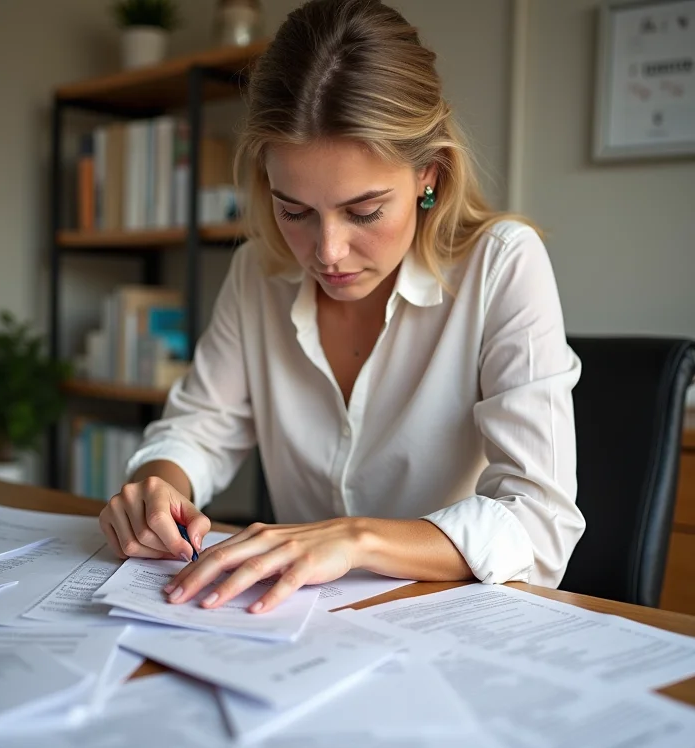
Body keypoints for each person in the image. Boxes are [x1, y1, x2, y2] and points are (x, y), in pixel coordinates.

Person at [98, 0, 585, 614]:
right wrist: (159, 489)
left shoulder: (501, 264)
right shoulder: (258, 272)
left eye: (364, 212)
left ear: (429, 176)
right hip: (304, 625)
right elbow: (201, 427)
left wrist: (357, 538)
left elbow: (539, 523)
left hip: (456, 626)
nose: (327, 253)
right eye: (294, 211)